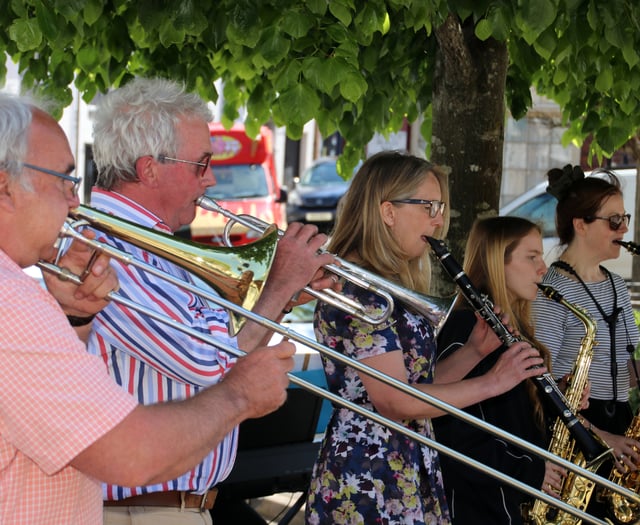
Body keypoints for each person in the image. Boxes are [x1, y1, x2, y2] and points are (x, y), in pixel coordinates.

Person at [0, 93, 296, 524]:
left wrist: (77, 320)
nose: (75, 203)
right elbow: (132, 453)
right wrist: (239, 394)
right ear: (5, 187)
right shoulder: (14, 300)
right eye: (64, 180)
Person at [87, 77, 335, 524]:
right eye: (201, 164)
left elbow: (231, 342)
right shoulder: (109, 250)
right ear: (149, 170)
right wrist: (279, 285)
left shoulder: (161, 249)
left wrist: (283, 296)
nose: (212, 178)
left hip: (174, 508)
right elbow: (206, 363)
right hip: (142, 511)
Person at [305, 151, 546, 525]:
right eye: (429, 206)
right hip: (369, 476)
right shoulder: (357, 289)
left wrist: (472, 352)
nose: (438, 221)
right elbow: (396, 400)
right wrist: (493, 382)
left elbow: (417, 386)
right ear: (388, 212)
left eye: (441, 207)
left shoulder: (385, 285)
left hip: (404, 461)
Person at [433, 216, 566, 524]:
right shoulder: (468, 326)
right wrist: (529, 470)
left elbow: (510, 415)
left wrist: (558, 392)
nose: (542, 269)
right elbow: (453, 431)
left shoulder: (512, 325)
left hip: (507, 501)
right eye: (531, 257)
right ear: (497, 262)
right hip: (480, 508)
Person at [531, 164, 640, 518]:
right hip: (573, 431)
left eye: (624, 218)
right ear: (580, 224)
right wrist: (602, 437)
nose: (624, 228)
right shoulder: (553, 289)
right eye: (613, 221)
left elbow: (627, 368)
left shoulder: (616, 285)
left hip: (619, 420)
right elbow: (539, 384)